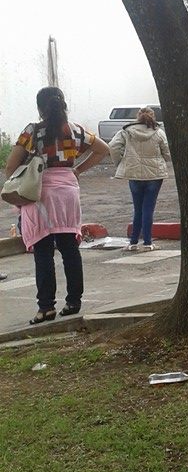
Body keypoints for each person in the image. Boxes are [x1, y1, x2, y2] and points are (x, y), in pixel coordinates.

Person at [4, 87, 109, 324]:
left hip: (39, 193)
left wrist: (17, 184)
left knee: (43, 252)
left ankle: (46, 307)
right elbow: (104, 149)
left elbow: (11, 165)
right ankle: (73, 302)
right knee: (69, 248)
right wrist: (78, 170)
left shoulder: (32, 131)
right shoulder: (75, 130)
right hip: (67, 193)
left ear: (40, 108)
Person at [108, 107, 171, 252]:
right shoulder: (159, 132)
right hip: (154, 175)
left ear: (138, 116)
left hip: (134, 173)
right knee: (148, 208)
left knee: (138, 209)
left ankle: (133, 242)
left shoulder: (126, 132)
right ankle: (148, 242)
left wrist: (120, 162)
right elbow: (167, 154)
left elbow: (113, 146)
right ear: (153, 117)